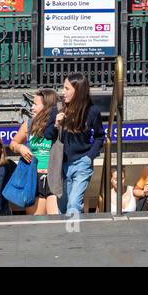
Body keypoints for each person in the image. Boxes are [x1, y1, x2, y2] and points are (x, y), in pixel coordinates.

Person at [55, 73, 103, 216]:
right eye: (63, 88)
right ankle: (65, 236)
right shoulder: (59, 109)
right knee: (63, 206)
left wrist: (89, 157)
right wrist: (56, 124)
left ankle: (74, 235)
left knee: (74, 203)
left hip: (82, 163)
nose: (63, 92)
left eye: (67, 88)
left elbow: (100, 136)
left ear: (78, 90)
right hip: (63, 165)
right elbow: (48, 136)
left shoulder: (92, 111)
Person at [9, 89, 59, 215]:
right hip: (34, 178)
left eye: (35, 104)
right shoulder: (29, 124)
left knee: (56, 222)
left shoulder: (58, 124)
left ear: (47, 106)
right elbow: (13, 144)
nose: (31, 107)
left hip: (54, 178)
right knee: (36, 223)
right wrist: (20, 148)